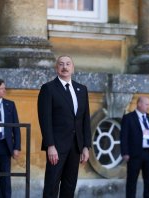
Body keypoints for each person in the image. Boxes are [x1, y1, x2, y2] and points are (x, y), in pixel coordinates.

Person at [37, 55, 91, 198]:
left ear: (73, 68)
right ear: (57, 68)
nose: (65, 67)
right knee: (51, 185)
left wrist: (86, 146)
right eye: (61, 64)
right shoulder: (48, 89)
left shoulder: (82, 89)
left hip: (76, 146)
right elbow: (45, 119)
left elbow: (85, 119)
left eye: (68, 64)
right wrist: (50, 145)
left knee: (69, 185)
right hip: (56, 146)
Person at [120, 96, 149, 198]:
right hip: (134, 154)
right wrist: (125, 152)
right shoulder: (128, 118)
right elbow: (123, 136)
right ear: (139, 104)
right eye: (147, 104)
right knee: (132, 181)